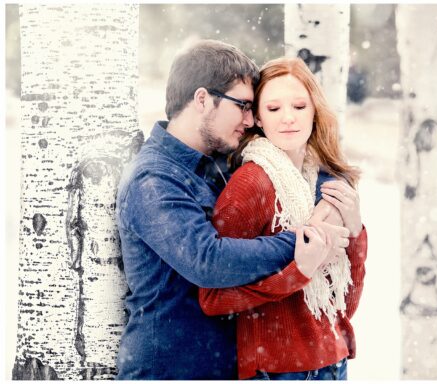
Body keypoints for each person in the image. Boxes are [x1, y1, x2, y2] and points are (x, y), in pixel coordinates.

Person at [114, 40, 351, 380]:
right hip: (170, 370)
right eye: (242, 105)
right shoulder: (153, 178)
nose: (249, 119)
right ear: (202, 99)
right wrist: (306, 239)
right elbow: (208, 260)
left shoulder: (219, 165)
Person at [199, 57, 368, 380]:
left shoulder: (322, 182)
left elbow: (343, 304)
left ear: (315, 110)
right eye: (274, 109)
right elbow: (212, 298)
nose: (288, 118)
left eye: (300, 106)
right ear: (258, 119)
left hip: (334, 364)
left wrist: (356, 231)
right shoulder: (251, 184)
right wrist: (298, 272)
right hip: (278, 371)